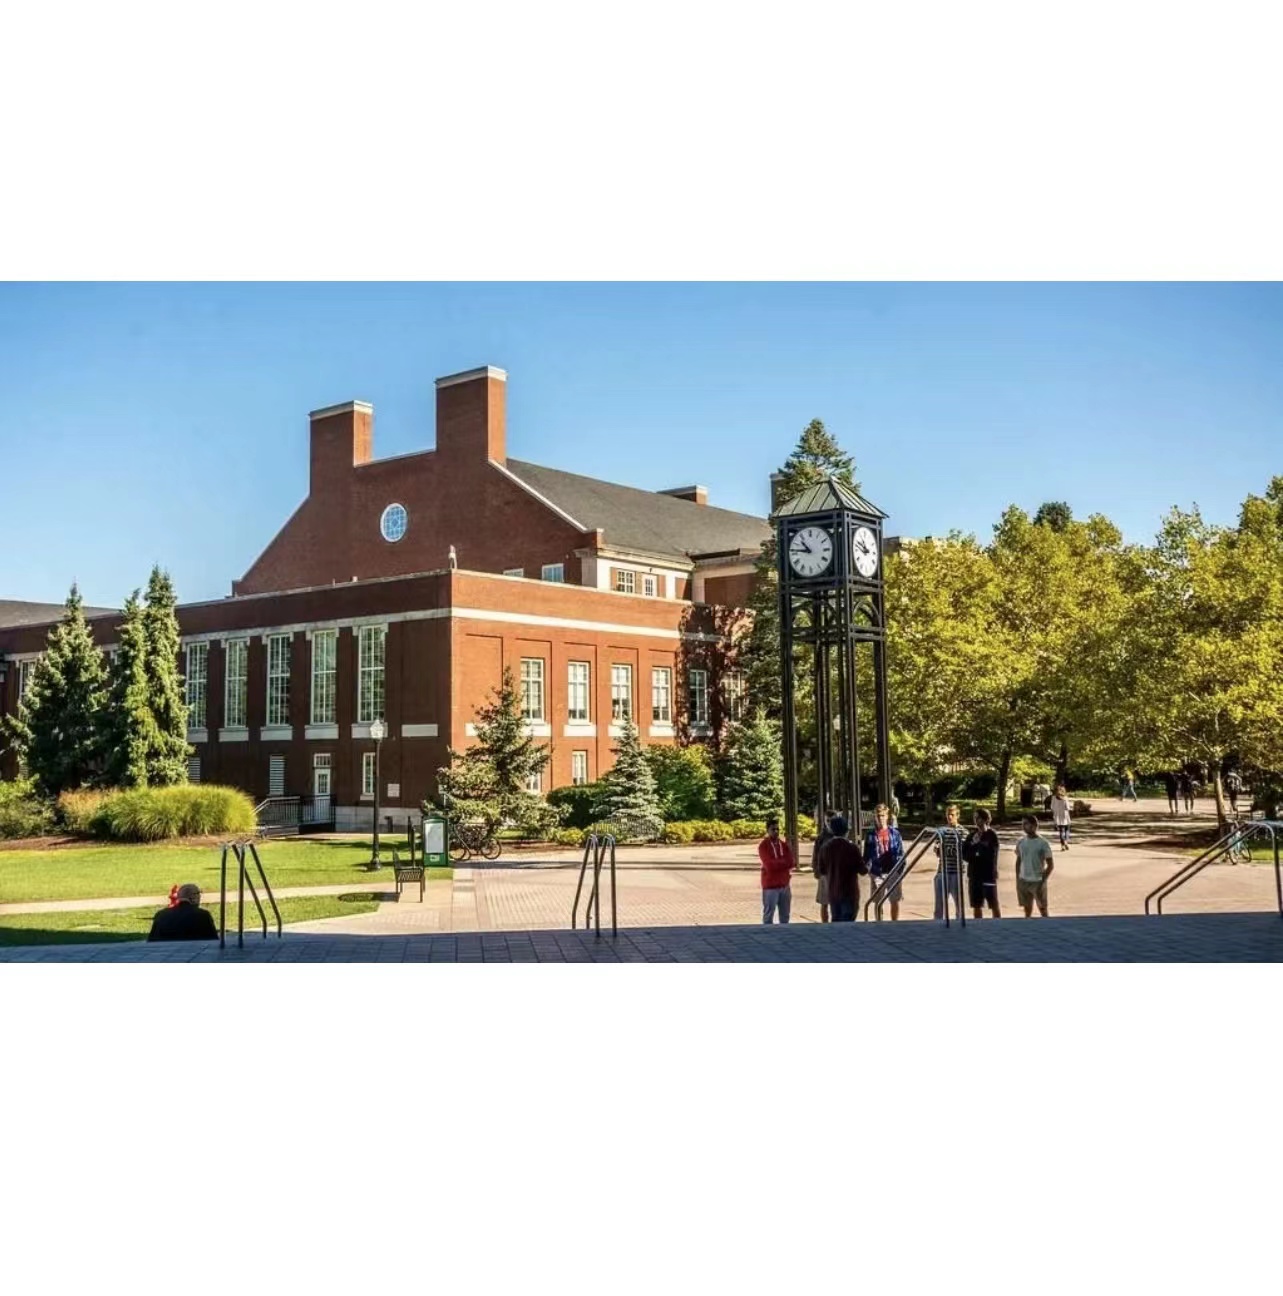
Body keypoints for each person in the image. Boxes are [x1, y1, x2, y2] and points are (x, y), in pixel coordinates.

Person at [818, 815, 866, 922]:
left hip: (833, 891)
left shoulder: (825, 848)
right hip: (849, 891)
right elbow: (862, 870)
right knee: (848, 920)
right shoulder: (852, 848)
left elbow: (821, 870)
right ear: (846, 831)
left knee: (836, 919)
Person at [863, 803, 905, 921]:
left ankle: (894, 923)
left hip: (893, 870)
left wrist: (899, 870)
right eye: (878, 816)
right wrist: (870, 871)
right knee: (878, 901)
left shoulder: (895, 833)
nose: (881, 818)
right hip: (877, 871)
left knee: (894, 900)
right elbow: (866, 855)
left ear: (887, 816)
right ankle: (879, 922)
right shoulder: (870, 835)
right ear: (875, 817)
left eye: (883, 815)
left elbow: (901, 852)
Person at [147, 883, 219, 942]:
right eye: (198, 893)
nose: (200, 897)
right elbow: (213, 940)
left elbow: (151, 940)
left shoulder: (161, 915)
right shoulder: (203, 915)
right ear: (193, 897)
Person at [963, 808, 1001, 918]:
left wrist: (995, 869)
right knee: (976, 904)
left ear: (985, 819)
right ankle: (978, 924)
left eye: (978, 818)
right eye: (974, 818)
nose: (976, 820)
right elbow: (965, 854)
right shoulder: (971, 836)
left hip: (988, 874)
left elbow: (993, 853)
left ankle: (998, 924)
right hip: (974, 874)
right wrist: (974, 845)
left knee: (993, 903)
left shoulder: (991, 835)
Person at [1014, 816, 1054, 917]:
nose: (1024, 826)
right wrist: (1018, 878)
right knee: (1027, 909)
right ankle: (1028, 924)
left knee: (1042, 908)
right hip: (1024, 880)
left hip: (1037, 880)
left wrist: (1043, 879)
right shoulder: (1021, 842)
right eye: (1023, 824)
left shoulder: (1043, 843)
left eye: (1026, 824)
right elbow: (1018, 860)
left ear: (1034, 825)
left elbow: (1050, 865)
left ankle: (1047, 925)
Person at [758, 817, 794, 924]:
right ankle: (767, 933)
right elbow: (769, 865)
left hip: (784, 885)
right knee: (768, 915)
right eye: (773, 829)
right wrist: (783, 863)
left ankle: (784, 933)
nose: (776, 831)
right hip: (770, 886)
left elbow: (791, 862)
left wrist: (777, 863)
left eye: (777, 829)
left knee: (785, 916)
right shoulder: (763, 846)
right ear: (768, 830)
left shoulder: (784, 845)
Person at [933, 803, 966, 921]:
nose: (949, 817)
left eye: (952, 815)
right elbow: (938, 851)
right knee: (939, 905)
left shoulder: (963, 832)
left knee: (959, 905)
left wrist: (946, 849)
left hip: (957, 872)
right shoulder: (942, 831)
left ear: (957, 816)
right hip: (943, 871)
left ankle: (959, 922)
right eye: (948, 815)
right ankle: (937, 923)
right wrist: (938, 849)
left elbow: (961, 851)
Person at [811, 808, 834, 922]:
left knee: (837, 902)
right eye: (827, 820)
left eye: (831, 821)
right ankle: (825, 923)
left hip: (837, 873)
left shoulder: (839, 835)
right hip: (824, 873)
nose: (829, 823)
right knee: (824, 902)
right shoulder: (821, 837)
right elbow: (815, 854)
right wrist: (816, 869)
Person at [1049, 784, 1072, 851]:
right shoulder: (1065, 798)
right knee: (1067, 829)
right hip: (1065, 815)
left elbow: (1052, 807)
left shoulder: (1053, 798)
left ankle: (1062, 845)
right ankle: (1066, 841)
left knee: (1061, 831)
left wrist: (1055, 812)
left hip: (1057, 816)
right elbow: (1067, 807)